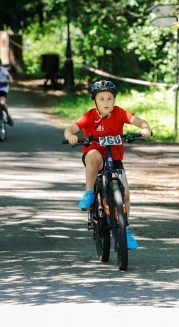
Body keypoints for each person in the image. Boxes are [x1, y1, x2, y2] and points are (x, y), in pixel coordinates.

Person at [64, 80, 152, 250]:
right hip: (94, 157)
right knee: (95, 156)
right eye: (102, 99)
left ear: (114, 100)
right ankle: (89, 193)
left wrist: (145, 128)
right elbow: (70, 128)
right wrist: (70, 135)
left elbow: (140, 121)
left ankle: (125, 229)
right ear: (95, 101)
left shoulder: (120, 113)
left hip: (114, 158)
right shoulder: (89, 116)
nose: (106, 102)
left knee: (125, 193)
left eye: (110, 98)